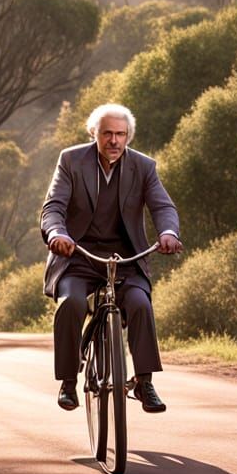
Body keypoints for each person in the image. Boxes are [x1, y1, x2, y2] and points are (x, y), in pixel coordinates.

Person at [41, 103, 182, 413]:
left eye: (120, 134)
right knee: (71, 304)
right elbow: (54, 206)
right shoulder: (71, 160)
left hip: (126, 260)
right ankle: (68, 381)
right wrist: (57, 234)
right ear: (94, 133)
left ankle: (144, 382)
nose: (114, 141)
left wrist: (169, 232)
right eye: (107, 133)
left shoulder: (144, 166)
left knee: (141, 304)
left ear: (128, 136)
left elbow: (162, 206)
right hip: (78, 256)